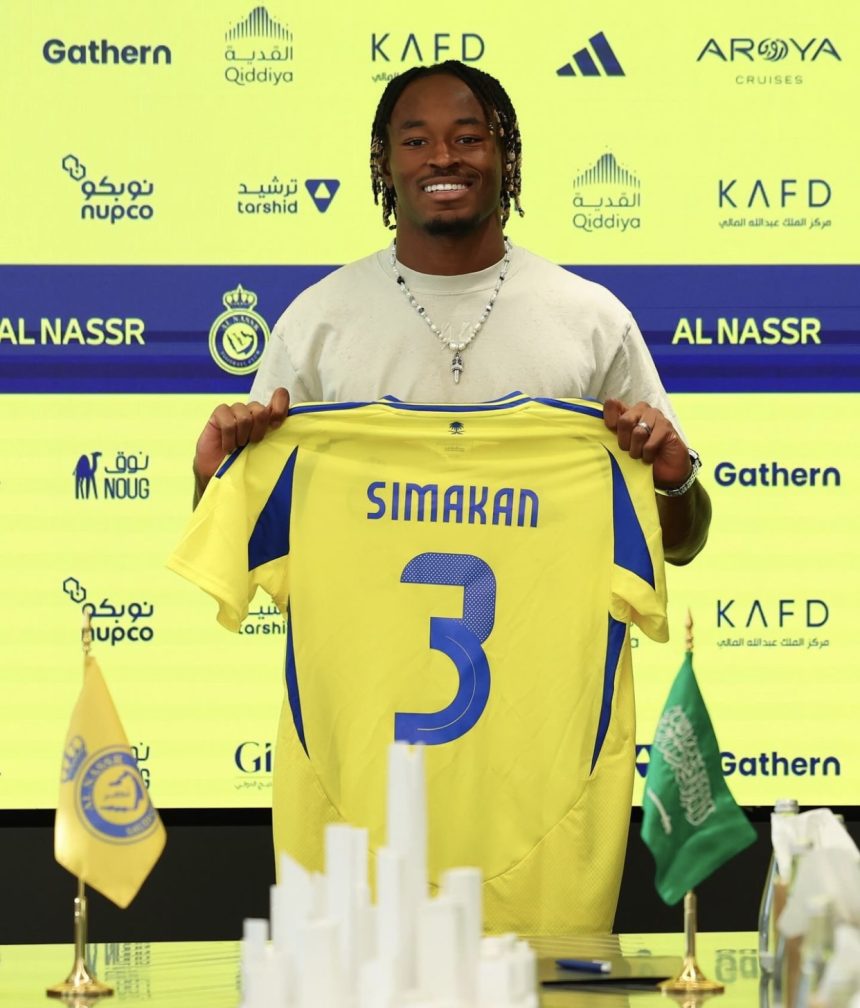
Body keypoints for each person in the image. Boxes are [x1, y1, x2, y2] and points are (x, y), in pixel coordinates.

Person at [187, 61, 712, 933]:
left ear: (507, 156)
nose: (444, 156)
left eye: (469, 137)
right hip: (359, 782)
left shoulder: (589, 320)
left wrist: (672, 476)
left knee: (543, 981)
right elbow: (240, 545)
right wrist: (213, 474)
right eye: (417, 139)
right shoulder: (318, 323)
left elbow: (681, 541)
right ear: (383, 162)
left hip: (540, 788)